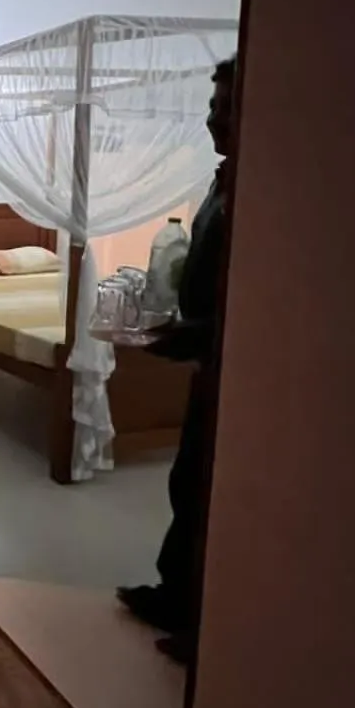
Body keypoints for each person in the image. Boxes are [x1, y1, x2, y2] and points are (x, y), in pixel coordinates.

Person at [117, 55, 237, 664]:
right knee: (187, 481)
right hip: (207, 357)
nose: (212, 119)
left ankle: (203, 622)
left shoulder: (257, 186)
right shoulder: (224, 178)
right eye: (212, 107)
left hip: (230, 361)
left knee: (208, 489)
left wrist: (189, 331)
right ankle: (176, 595)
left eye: (225, 108)